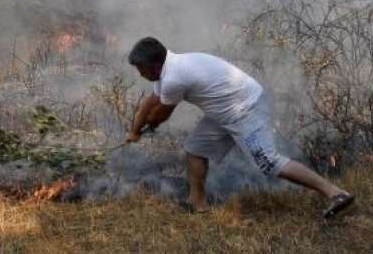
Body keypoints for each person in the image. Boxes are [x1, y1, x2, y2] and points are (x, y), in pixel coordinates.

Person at [126, 36, 354, 218]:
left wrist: (146, 128)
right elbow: (150, 104)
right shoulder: (167, 69)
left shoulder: (175, 76)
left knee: (269, 162)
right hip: (224, 112)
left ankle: (336, 193)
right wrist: (134, 130)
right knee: (195, 149)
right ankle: (198, 205)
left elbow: (160, 115)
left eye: (141, 69)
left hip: (245, 110)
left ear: (154, 66)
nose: (140, 73)